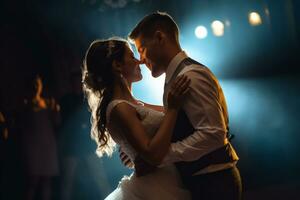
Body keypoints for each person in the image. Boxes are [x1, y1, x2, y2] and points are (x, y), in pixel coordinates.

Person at [126, 11, 242, 200]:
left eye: (142, 48)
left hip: (214, 182)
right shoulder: (176, 76)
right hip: (204, 181)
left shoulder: (190, 75)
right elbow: (182, 124)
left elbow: (213, 134)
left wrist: (160, 158)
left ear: (159, 37)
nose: (140, 58)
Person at [82, 37, 191, 199]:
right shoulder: (119, 108)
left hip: (168, 178)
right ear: (117, 65)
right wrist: (173, 107)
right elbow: (151, 153)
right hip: (156, 188)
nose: (139, 61)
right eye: (132, 57)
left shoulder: (134, 104)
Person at [20, 75, 60, 200]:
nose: (37, 87)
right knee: (33, 180)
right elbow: (23, 127)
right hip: (33, 146)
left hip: (48, 144)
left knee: (46, 180)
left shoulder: (48, 102)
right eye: (34, 84)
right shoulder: (26, 104)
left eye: (38, 84)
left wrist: (55, 110)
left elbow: (56, 122)